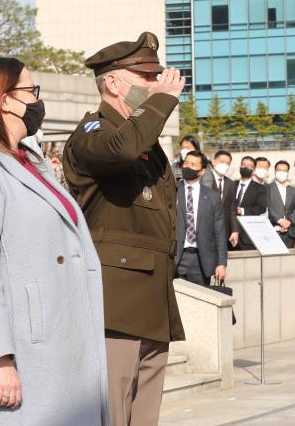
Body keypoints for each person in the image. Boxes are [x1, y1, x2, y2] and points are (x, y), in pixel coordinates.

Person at [0, 57, 109, 425]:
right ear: (5, 100)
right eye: (30, 91)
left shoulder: (30, 161)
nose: (37, 100)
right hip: (23, 351)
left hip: (58, 339)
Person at [62, 32, 186, 426]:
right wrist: (162, 102)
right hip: (116, 305)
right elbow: (121, 150)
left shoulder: (144, 138)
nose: (156, 84)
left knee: (144, 415)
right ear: (113, 82)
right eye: (146, 76)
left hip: (151, 301)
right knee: (113, 414)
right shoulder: (92, 134)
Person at [175, 151, 227, 285]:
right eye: (186, 163)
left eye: (193, 164)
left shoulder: (213, 197)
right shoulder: (173, 191)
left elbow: (220, 232)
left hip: (201, 260)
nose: (187, 167)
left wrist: (221, 263)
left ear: (202, 171)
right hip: (176, 257)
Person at [201, 150, 240, 248]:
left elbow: (232, 210)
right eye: (222, 162)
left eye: (228, 163)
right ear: (213, 162)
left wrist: (235, 230)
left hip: (223, 231)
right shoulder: (203, 179)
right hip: (204, 228)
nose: (225, 165)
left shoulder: (231, 184)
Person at [267, 160, 295, 249]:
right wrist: (280, 221)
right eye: (279, 170)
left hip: (290, 232)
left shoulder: (293, 191)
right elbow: (268, 208)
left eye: (284, 170)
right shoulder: (267, 189)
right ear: (275, 171)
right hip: (273, 230)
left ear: (287, 172)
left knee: (288, 260)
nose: (281, 172)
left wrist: (289, 221)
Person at [235, 156, 267, 250]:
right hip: (230, 232)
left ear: (253, 170)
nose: (245, 167)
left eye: (249, 166)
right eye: (243, 165)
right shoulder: (231, 184)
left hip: (248, 234)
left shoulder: (260, 188)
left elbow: (261, 208)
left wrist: (243, 211)